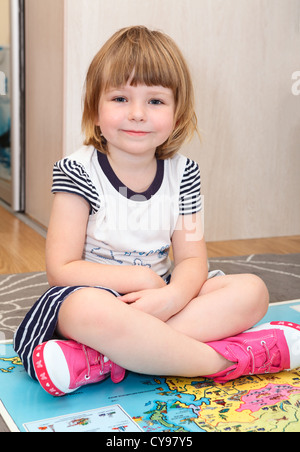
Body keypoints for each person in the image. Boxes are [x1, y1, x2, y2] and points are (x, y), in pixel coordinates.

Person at [14, 26, 300, 397]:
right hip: (97, 299)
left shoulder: (185, 174)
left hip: (163, 299)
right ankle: (220, 362)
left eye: (155, 101)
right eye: (119, 98)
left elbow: (193, 259)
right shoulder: (77, 170)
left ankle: (104, 359)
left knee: (251, 291)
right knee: (87, 309)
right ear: (94, 110)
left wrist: (171, 296)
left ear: (178, 115)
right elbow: (62, 270)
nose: (136, 114)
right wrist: (141, 280)